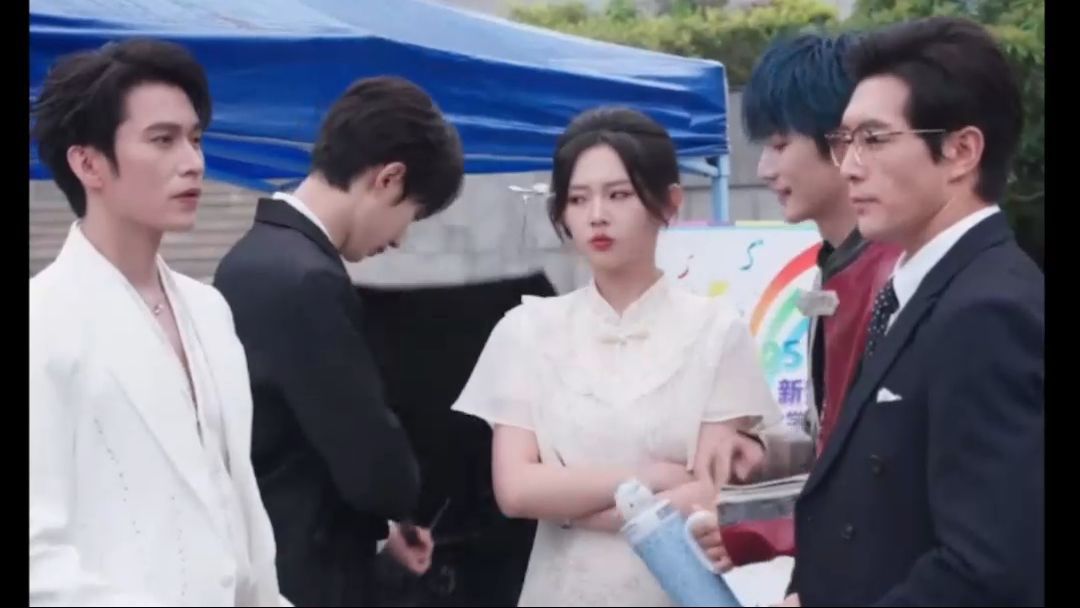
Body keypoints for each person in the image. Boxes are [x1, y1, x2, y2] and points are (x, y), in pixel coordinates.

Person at [450, 107, 783, 607]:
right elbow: (516, 490)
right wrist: (650, 479)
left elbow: (707, 492)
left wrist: (567, 505)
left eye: (619, 194)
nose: (597, 215)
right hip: (562, 589)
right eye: (578, 198)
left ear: (668, 202)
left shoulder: (716, 331)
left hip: (677, 588)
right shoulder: (526, 331)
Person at [776, 16, 1043, 606]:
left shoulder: (988, 312)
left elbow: (988, 569)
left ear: (961, 152)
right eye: (844, 141)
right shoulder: (919, 289)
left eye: (874, 139)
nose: (849, 166)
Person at [29, 39, 287, 606]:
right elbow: (36, 557)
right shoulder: (43, 321)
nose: (193, 162)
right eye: (163, 140)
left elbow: (238, 512)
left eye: (195, 138)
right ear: (88, 163)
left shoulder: (209, 311)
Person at [212, 76, 465, 607]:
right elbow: (373, 467)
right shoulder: (307, 278)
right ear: (389, 179)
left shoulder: (249, 257)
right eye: (412, 214)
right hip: (306, 572)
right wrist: (399, 497)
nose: (400, 238)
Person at [741, 32, 902, 461]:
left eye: (779, 145)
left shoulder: (899, 278)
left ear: (842, 140)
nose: (764, 169)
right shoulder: (834, 267)